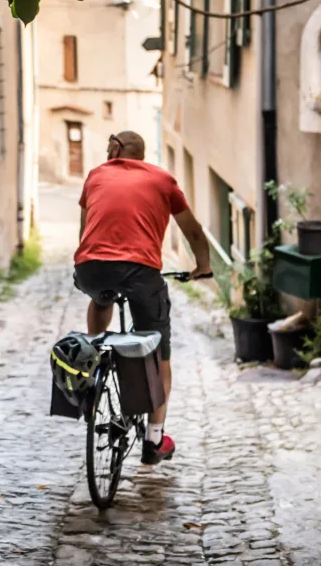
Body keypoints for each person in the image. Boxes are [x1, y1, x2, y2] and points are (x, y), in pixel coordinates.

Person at [74, 131, 211, 465]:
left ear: (116, 149)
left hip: (91, 268)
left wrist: (95, 264)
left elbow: (84, 230)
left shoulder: (95, 176)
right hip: (140, 272)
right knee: (158, 351)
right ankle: (154, 440)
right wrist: (203, 266)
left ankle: (94, 359)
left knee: (101, 299)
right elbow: (193, 231)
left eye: (108, 147)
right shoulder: (163, 180)